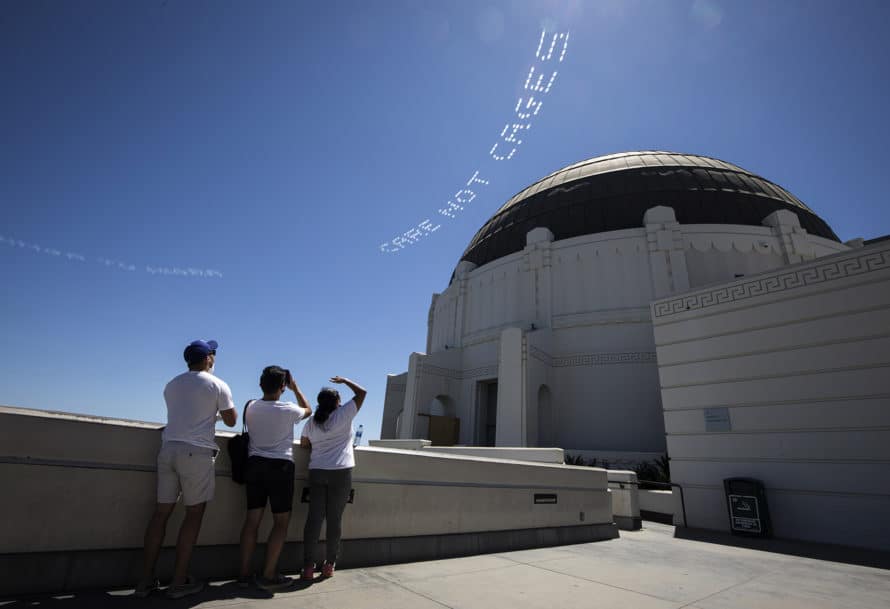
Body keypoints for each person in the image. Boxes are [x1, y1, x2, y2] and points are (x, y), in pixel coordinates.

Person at [136, 339, 237, 599]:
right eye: (212, 354)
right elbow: (232, 419)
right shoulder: (218, 384)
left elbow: (185, 413)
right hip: (196, 454)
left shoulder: (172, 384)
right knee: (193, 515)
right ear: (206, 359)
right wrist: (214, 413)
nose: (214, 358)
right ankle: (178, 582)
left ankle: (144, 581)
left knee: (160, 515)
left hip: (168, 449)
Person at [237, 366, 313, 590]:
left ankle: (243, 573)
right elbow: (308, 410)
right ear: (283, 387)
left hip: (254, 465)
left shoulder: (250, 406)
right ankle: (269, 573)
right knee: (281, 522)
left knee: (252, 521)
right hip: (280, 467)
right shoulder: (289, 409)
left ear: (261, 384)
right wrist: (296, 388)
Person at [299, 375, 366, 581]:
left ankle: (308, 567)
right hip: (341, 472)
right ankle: (329, 564)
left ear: (319, 402)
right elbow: (362, 393)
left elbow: (303, 444)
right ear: (338, 403)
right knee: (334, 520)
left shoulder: (312, 422)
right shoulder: (344, 414)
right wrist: (346, 380)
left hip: (317, 471)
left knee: (314, 520)